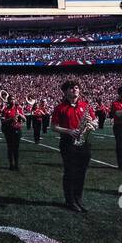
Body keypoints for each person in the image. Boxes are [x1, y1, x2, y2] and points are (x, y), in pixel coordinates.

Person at [52, 80, 94, 212]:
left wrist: (92, 124)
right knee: (70, 172)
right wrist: (69, 131)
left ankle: (78, 199)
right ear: (65, 92)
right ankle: (70, 201)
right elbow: (53, 127)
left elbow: (93, 121)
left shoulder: (85, 105)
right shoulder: (59, 108)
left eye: (76, 88)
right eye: (71, 88)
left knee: (81, 172)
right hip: (68, 143)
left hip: (84, 142)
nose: (75, 90)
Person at [1, 92, 24, 170]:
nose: (13, 101)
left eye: (14, 99)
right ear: (8, 100)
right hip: (9, 130)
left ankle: (16, 164)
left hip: (17, 130)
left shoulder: (19, 108)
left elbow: (25, 119)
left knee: (16, 148)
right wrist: (11, 119)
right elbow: (3, 121)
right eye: (11, 99)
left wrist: (19, 115)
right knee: (10, 148)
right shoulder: (5, 110)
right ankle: (11, 164)